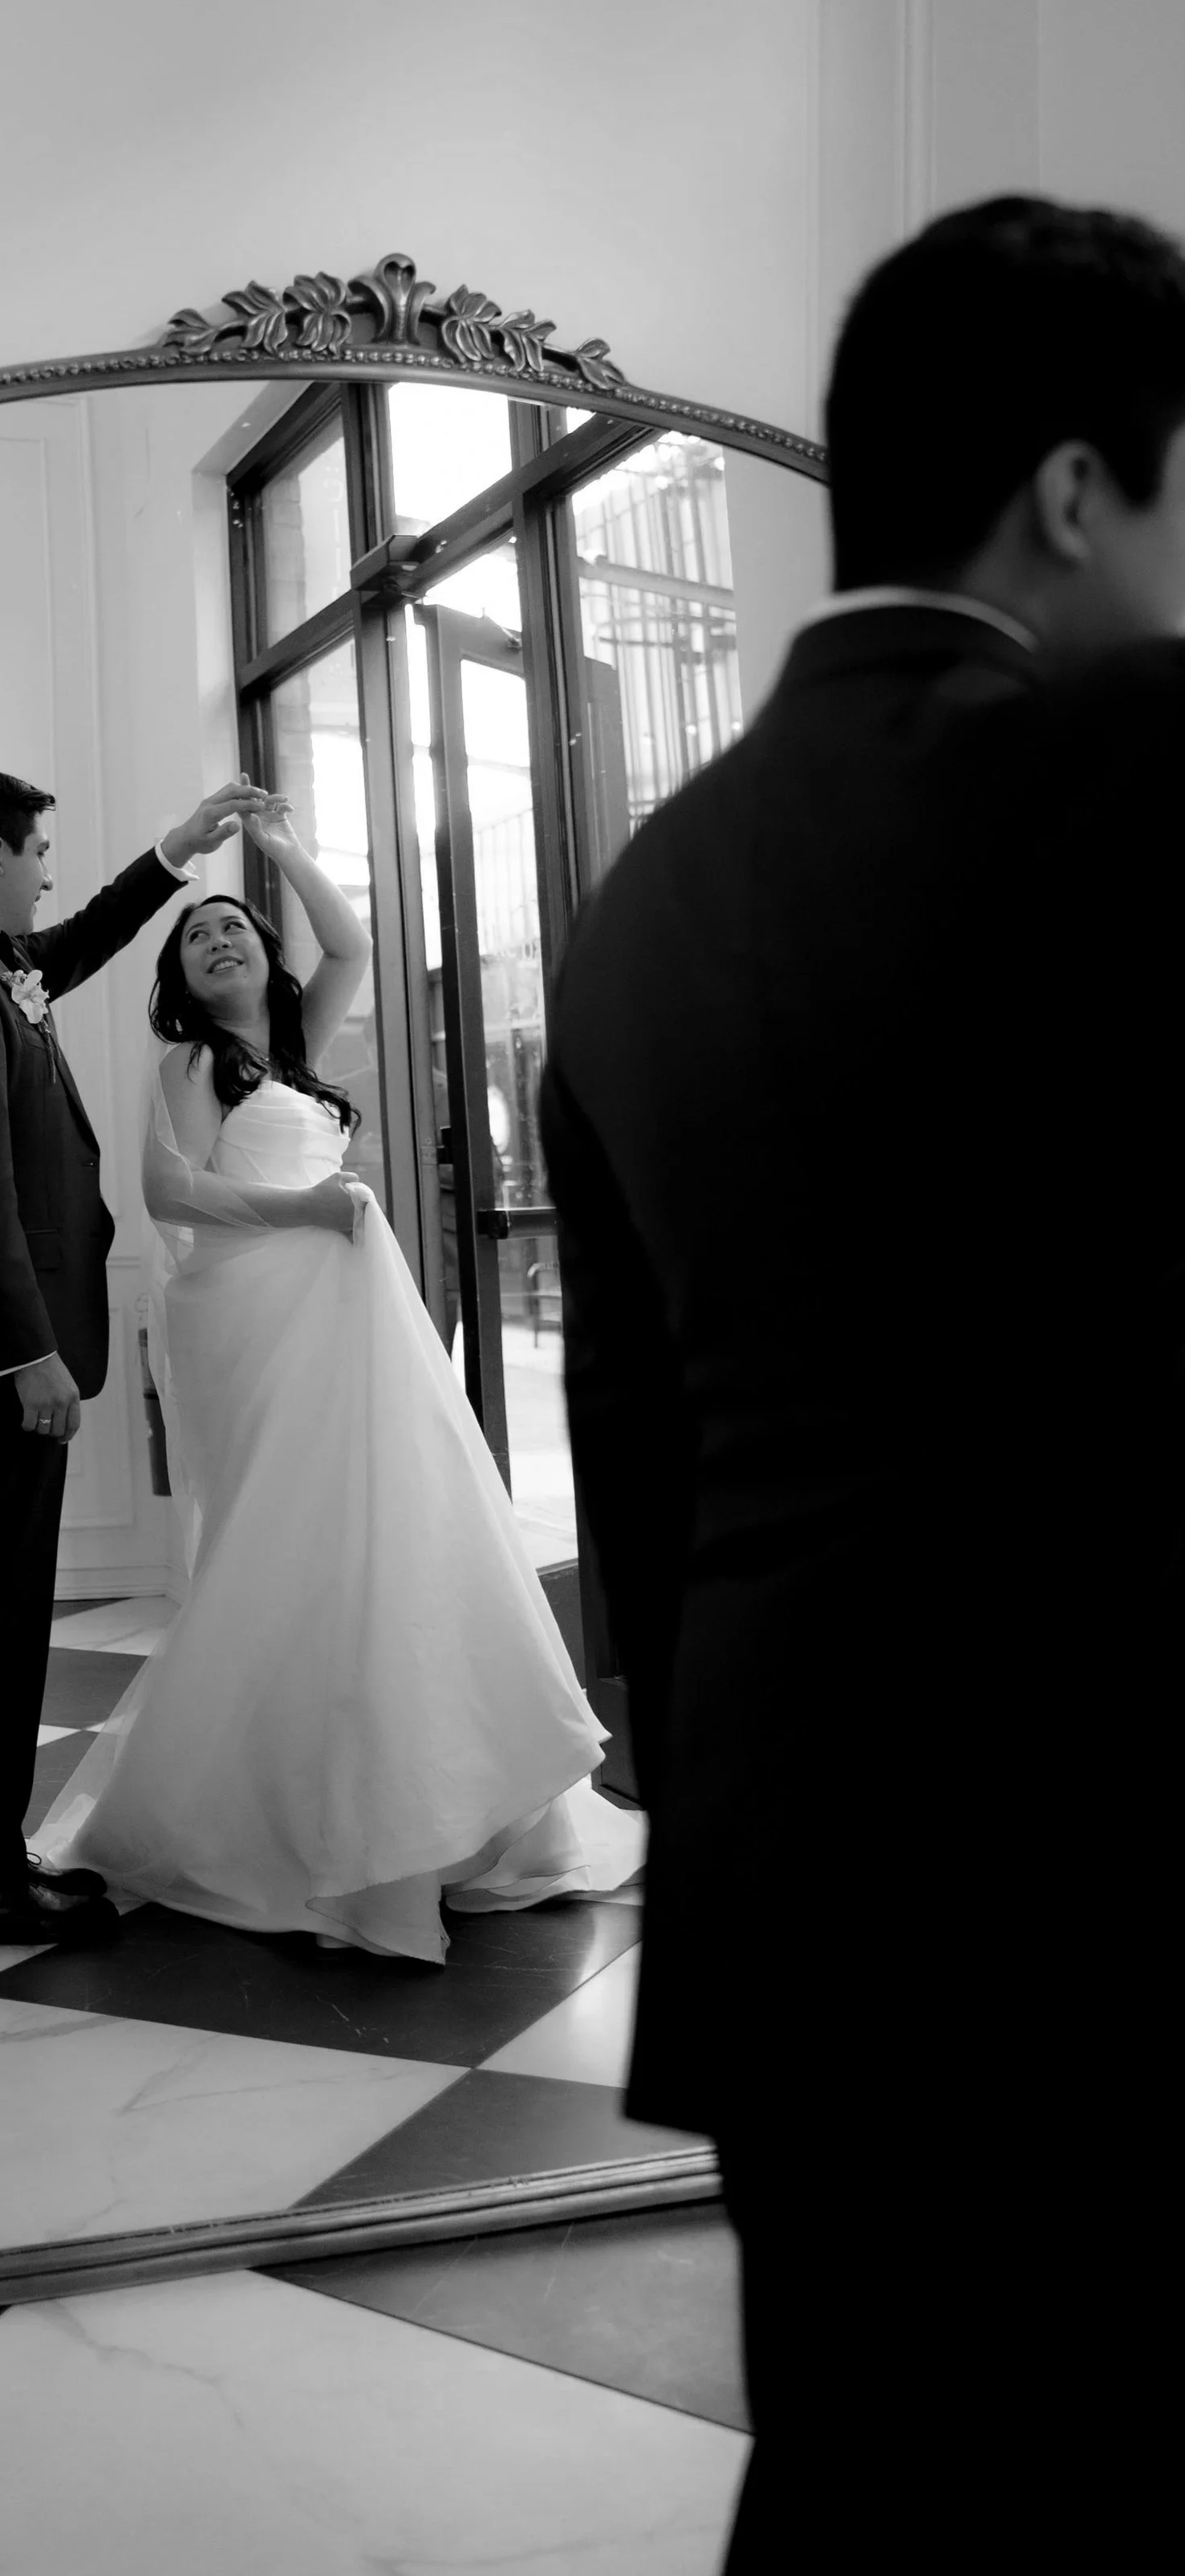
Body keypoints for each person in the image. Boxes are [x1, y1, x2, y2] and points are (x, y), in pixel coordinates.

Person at [538, 197, 1185, 2567]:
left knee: (852, 2474)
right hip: (1099, 1866)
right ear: (1079, 488)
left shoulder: (635, 904)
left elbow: (637, 1484)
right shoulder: (1123, 753)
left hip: (782, 1877)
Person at [34, 804, 622, 1960]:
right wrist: (305, 1207)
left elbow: (349, 946)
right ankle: (284, 1817)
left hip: (347, 1314)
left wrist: (285, 846)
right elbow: (168, 1191)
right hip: (254, 1317)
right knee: (287, 1539)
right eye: (195, 937)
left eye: (235, 928)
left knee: (386, 1532)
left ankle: (436, 1804)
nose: (217, 942)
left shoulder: (292, 1053)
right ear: (180, 981)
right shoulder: (193, 1062)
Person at [0, 765, 276, 1951]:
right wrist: (25, 1353)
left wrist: (176, 849)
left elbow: (82, 938)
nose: (50, 870)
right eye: (41, 850)